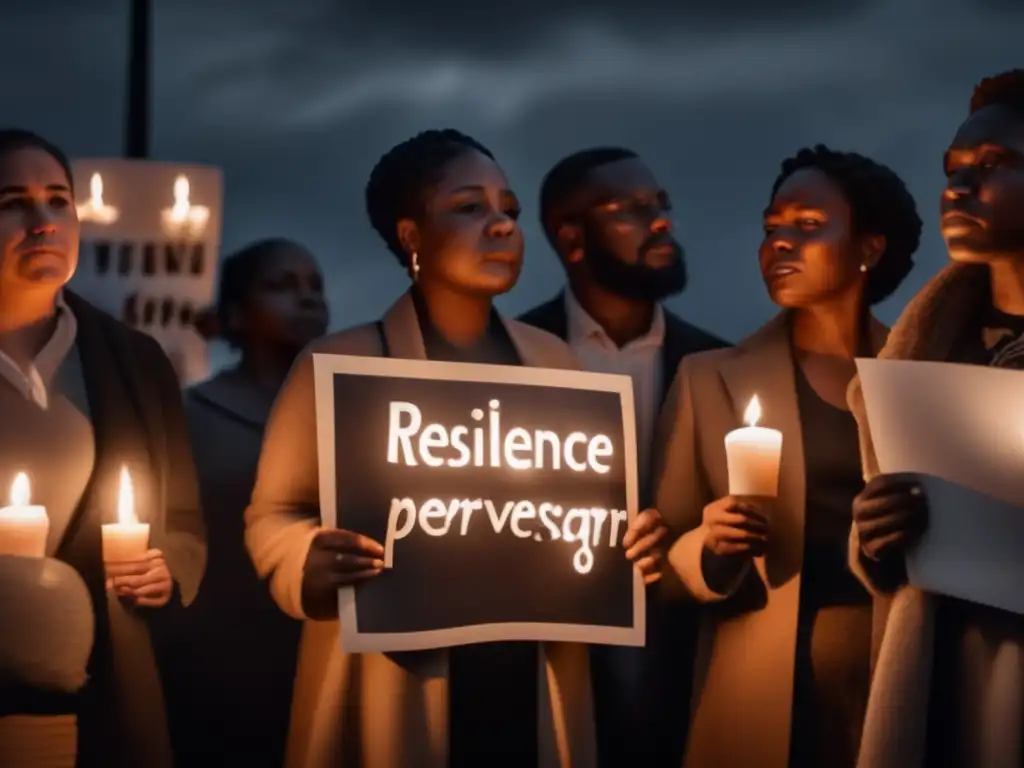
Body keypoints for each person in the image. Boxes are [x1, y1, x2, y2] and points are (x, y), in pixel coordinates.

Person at [244, 129, 668, 768]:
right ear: (411, 234)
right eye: (470, 207)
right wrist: (306, 559)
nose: (501, 226)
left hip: (533, 683)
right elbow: (273, 514)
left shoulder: (560, 364)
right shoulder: (340, 364)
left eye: (510, 211)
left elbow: (588, 515)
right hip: (395, 683)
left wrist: (629, 541)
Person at [654, 144, 921, 768]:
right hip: (759, 698)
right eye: (771, 227)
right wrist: (710, 547)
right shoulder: (707, 377)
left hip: (899, 684)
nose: (778, 243)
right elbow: (659, 565)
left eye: (806, 226)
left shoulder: (921, 378)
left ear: (869, 248)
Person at [0, 128, 206, 767]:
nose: (43, 222)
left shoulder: (132, 360)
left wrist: (164, 566)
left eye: (59, 201)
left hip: (97, 687)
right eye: (13, 203)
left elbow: (184, 523)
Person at [519, 147, 728, 767]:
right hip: (544, 660)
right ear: (571, 236)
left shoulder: (717, 365)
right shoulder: (510, 356)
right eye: (630, 210)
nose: (660, 221)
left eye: (660, 205)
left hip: (681, 663)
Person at [848, 68, 1024, 768]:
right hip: (948, 678)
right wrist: (876, 535)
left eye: (992, 166)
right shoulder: (921, 352)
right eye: (952, 170)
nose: (958, 187)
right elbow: (894, 548)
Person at [159, 239, 329, 767]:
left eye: (314, 287)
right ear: (234, 312)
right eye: (282, 286)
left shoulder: (350, 412)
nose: (306, 299)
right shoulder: (189, 413)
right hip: (213, 663)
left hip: (316, 653)